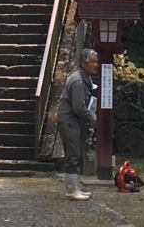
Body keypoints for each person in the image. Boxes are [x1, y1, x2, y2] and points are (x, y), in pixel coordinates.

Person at [56, 47, 98, 201]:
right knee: (72, 154)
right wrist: (91, 117)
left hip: (73, 120)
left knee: (75, 153)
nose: (95, 65)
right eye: (92, 62)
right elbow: (78, 107)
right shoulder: (78, 81)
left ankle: (74, 187)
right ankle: (70, 190)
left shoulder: (85, 78)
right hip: (69, 120)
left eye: (96, 61)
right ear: (83, 63)